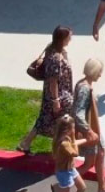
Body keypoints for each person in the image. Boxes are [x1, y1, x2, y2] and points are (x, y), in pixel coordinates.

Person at [18, 26, 74, 154]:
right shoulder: (56, 58)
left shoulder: (54, 50)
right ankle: (61, 148)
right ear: (63, 38)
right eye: (69, 36)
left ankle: (25, 143)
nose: (70, 39)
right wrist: (56, 101)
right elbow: (53, 80)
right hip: (58, 95)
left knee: (46, 120)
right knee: (63, 121)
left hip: (56, 94)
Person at [73, 60, 105, 192]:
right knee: (89, 163)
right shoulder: (84, 88)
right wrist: (88, 131)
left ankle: (102, 186)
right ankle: (62, 183)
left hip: (92, 128)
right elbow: (78, 113)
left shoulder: (82, 84)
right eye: (99, 72)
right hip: (89, 130)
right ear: (94, 71)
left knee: (101, 153)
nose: (100, 75)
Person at [51, 114, 87, 192]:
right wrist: (74, 138)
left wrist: (86, 140)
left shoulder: (65, 138)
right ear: (68, 130)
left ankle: (57, 188)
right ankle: (57, 189)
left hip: (71, 169)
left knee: (82, 187)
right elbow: (75, 153)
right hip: (64, 172)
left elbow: (73, 144)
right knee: (66, 190)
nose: (74, 130)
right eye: (73, 128)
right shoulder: (64, 144)